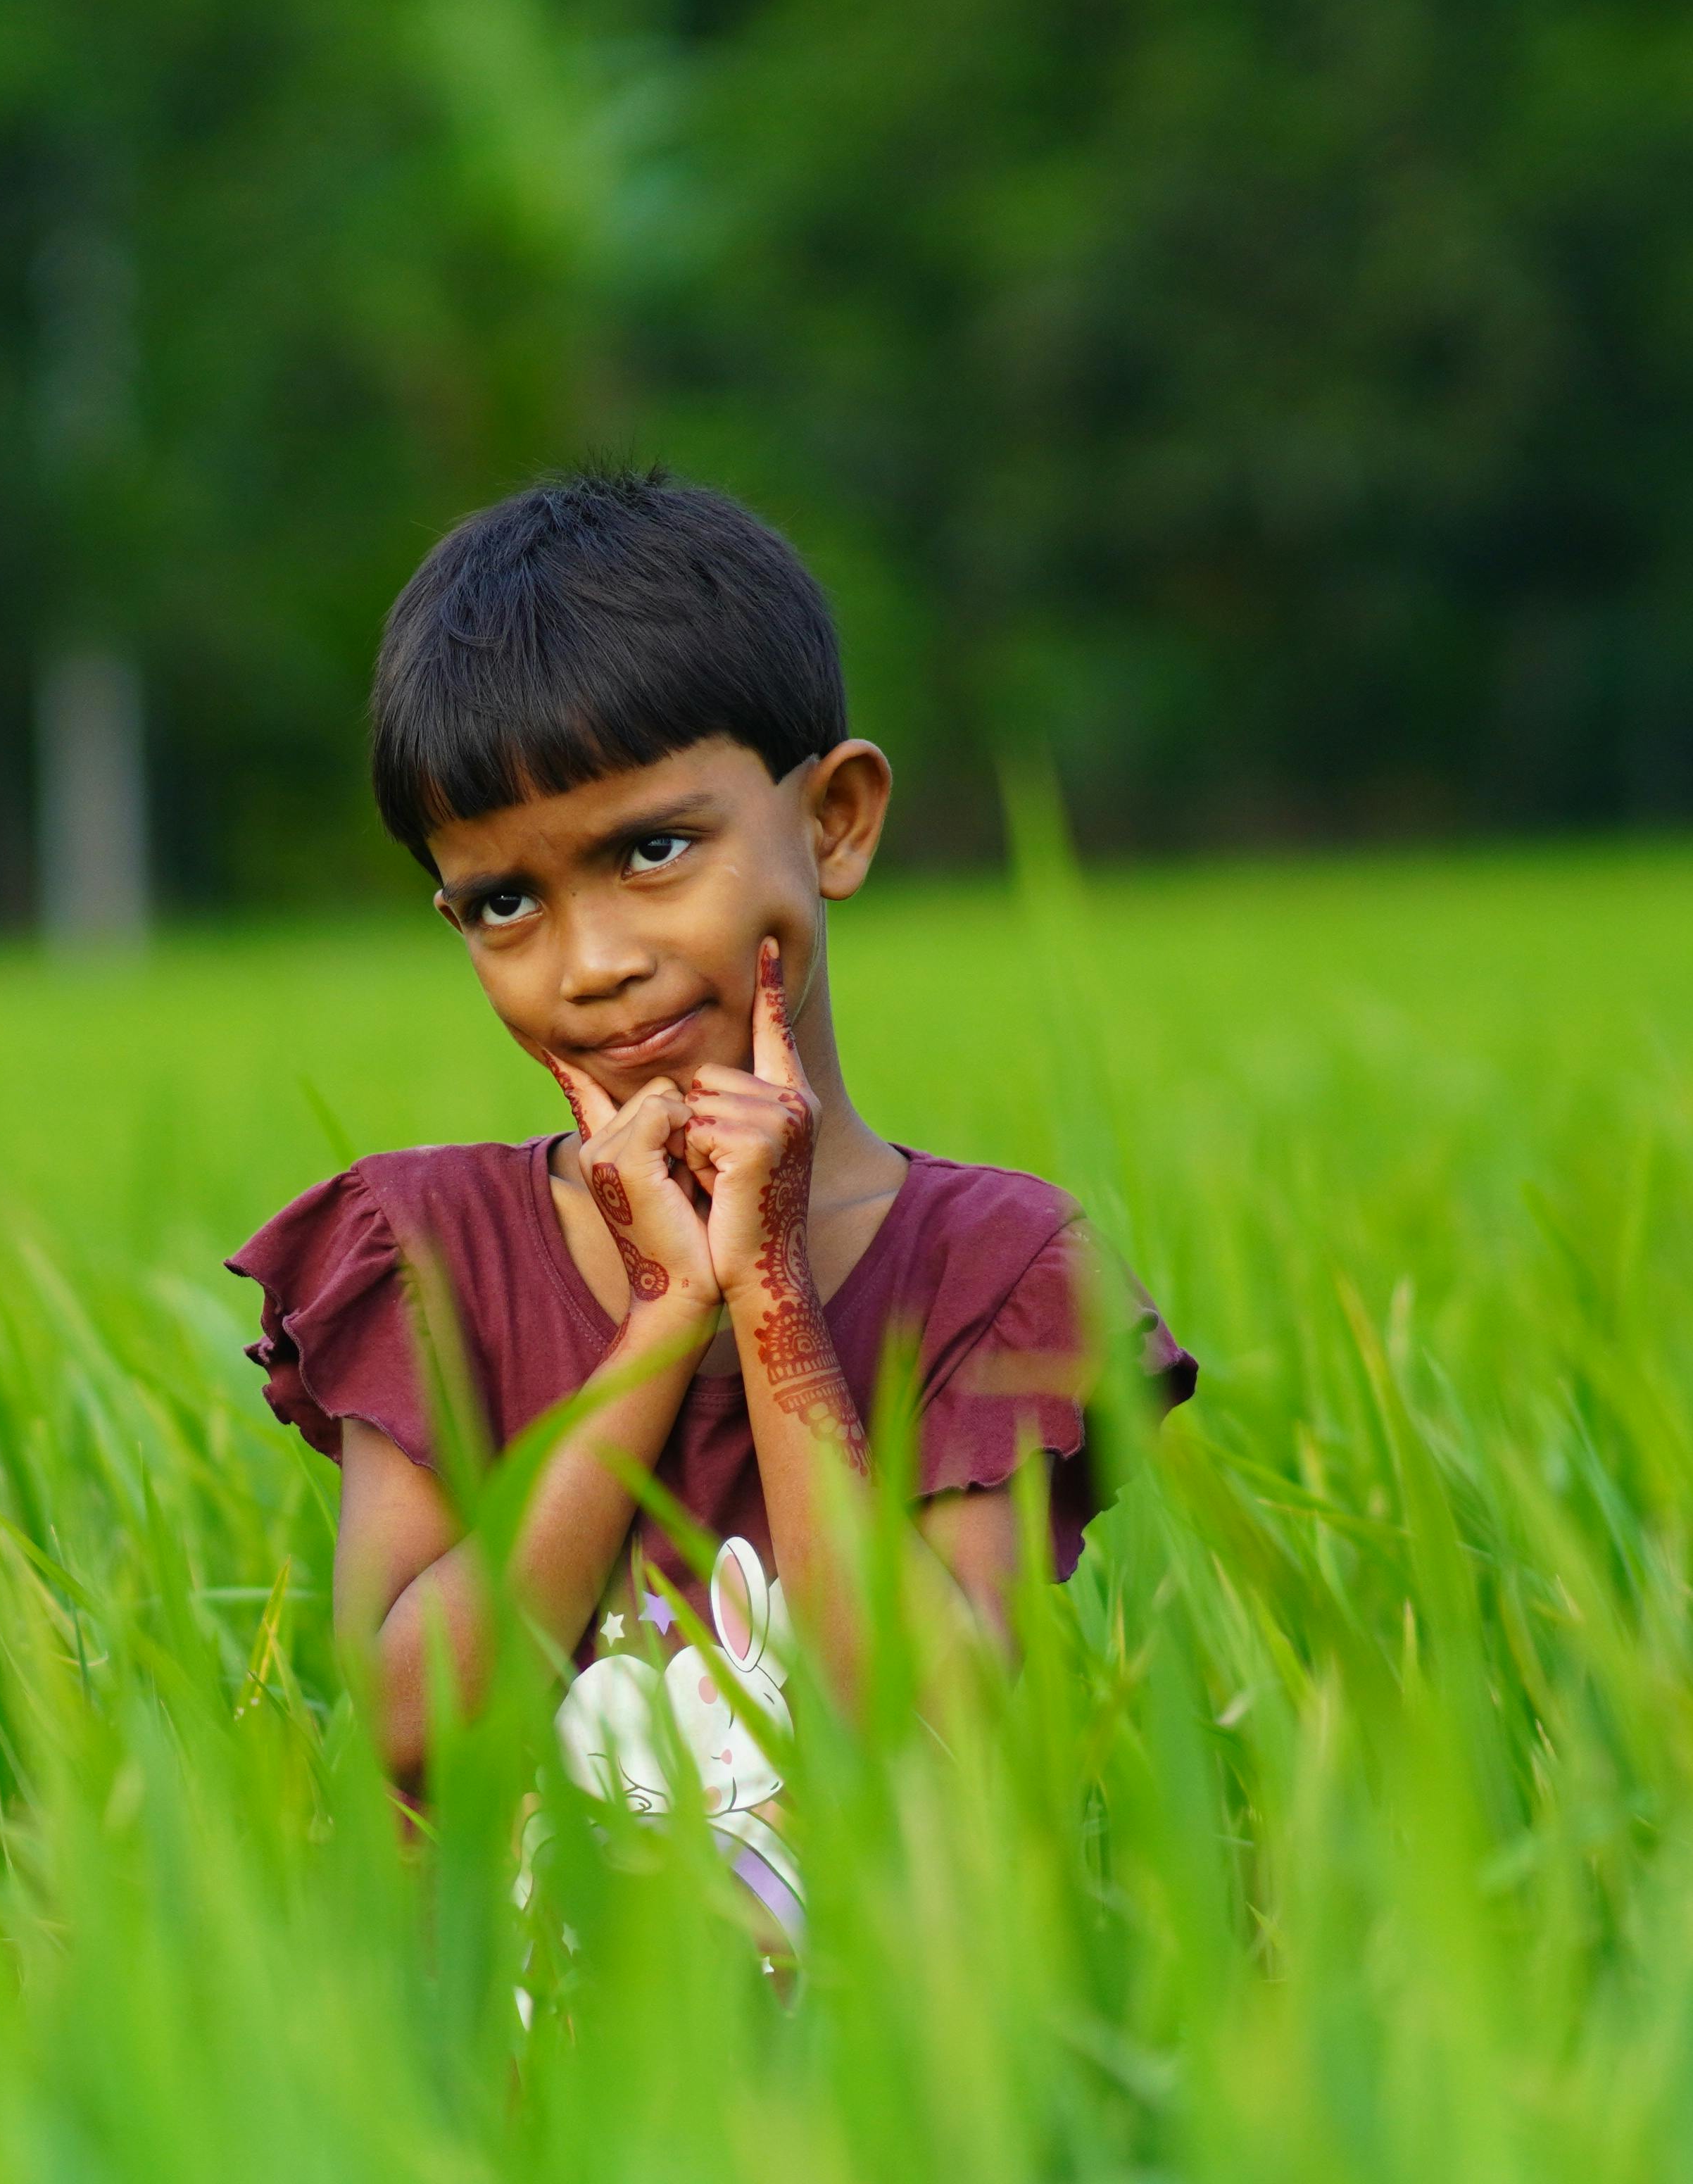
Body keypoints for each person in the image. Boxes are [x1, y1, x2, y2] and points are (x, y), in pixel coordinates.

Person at [230, 468, 1195, 1795]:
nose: (593, 962)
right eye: (506, 903)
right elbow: (409, 1728)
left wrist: (774, 1301)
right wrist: (664, 1314)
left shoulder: (999, 1268)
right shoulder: (426, 1252)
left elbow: (924, 1727)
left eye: (652, 853)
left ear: (834, 822)